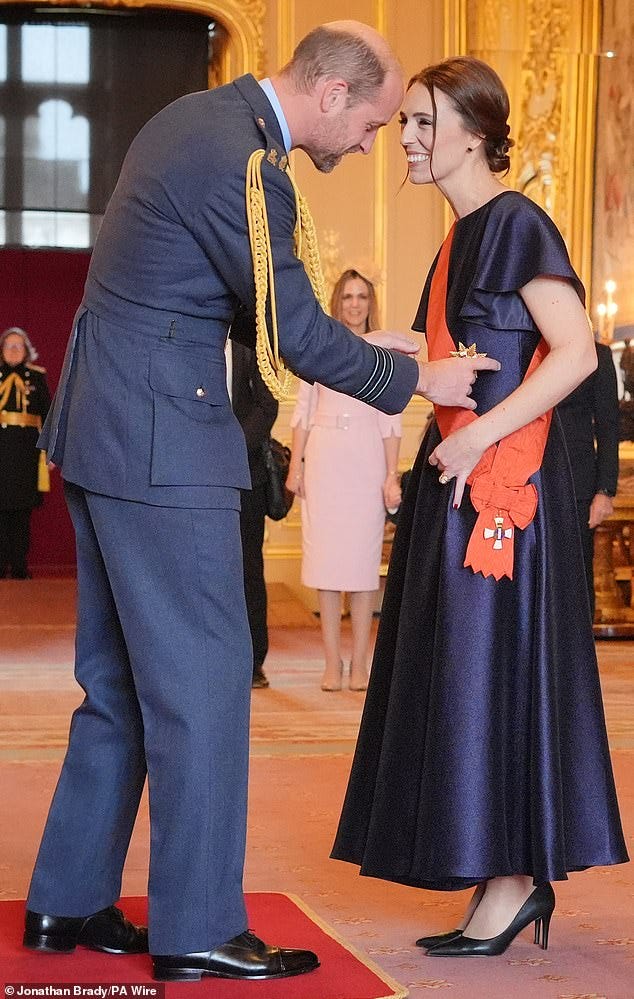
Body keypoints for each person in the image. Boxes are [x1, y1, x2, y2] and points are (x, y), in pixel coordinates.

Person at [24, 25, 499, 983]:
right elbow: (291, 331)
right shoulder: (249, 160)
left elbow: (257, 307)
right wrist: (421, 381)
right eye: (368, 122)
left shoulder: (194, 120)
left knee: (116, 682)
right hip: (166, 443)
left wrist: (391, 348)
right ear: (330, 92)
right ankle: (198, 927)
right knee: (204, 685)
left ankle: (65, 901)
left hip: (107, 426)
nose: (368, 143)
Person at [332, 56, 628, 959]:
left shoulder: (517, 224)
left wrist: (470, 435)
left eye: (423, 122)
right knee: (466, 675)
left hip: (502, 493)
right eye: (408, 123)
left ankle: (512, 879)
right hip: (455, 478)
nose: (408, 140)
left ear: (472, 129)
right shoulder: (460, 237)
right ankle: (497, 873)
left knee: (491, 671)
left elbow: (575, 353)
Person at [287, 269, 402, 691]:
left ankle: (360, 665)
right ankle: (331, 662)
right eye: (348, 296)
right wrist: (295, 465)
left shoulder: (387, 350)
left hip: (366, 459)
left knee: (362, 567)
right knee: (326, 565)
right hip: (325, 457)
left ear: (370, 303)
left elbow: (391, 420)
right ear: (338, 302)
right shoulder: (319, 346)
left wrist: (392, 476)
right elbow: (301, 412)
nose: (355, 304)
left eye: (362, 296)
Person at [557, 340, 619, 619]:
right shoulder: (528, 347)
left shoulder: (598, 354)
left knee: (576, 575)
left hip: (578, 482)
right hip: (527, 478)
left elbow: (608, 427)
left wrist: (605, 490)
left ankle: (579, 657)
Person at [229, 338, 278, 688]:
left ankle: (252, 661)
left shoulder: (252, 346)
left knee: (248, 569)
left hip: (247, 475)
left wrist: (228, 448)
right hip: (192, 478)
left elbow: (267, 404)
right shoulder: (190, 340)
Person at [0, 327, 51, 579]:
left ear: (27, 350)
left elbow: (48, 415)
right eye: (9, 345)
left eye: (18, 346)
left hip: (25, 454)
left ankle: (19, 566)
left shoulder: (37, 377)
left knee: (21, 512)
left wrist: (50, 451)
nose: (13, 350)